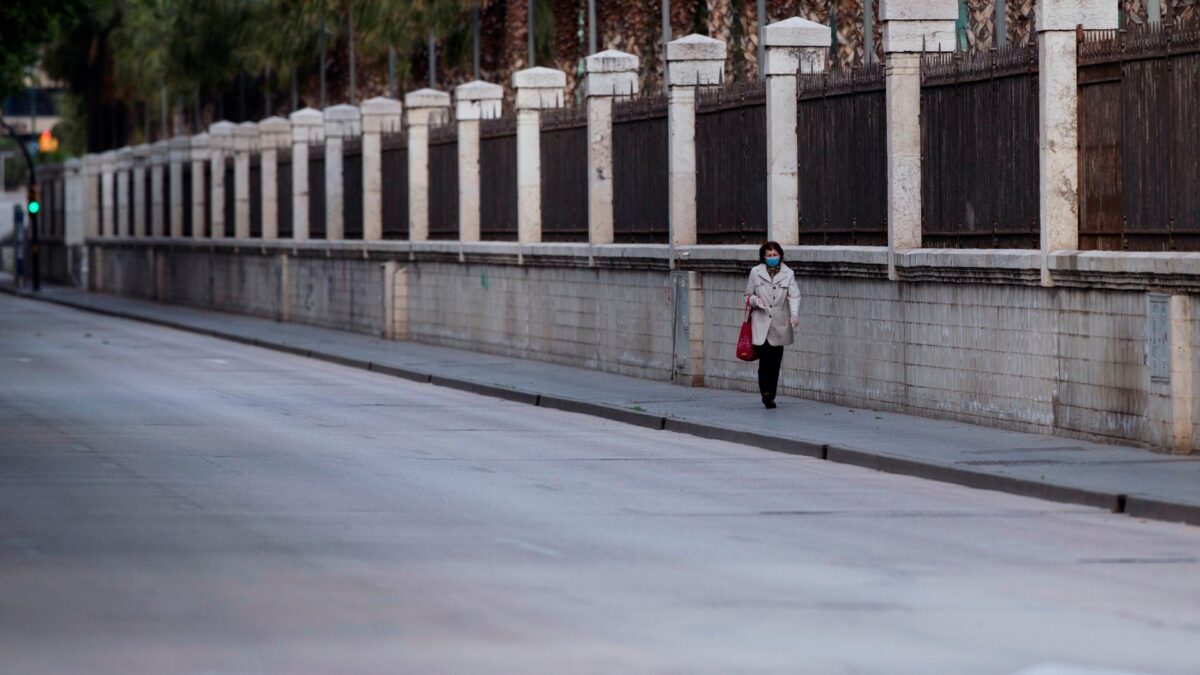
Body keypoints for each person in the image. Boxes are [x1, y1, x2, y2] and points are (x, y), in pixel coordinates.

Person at [744, 241, 801, 409]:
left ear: (780, 255)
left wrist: (794, 313)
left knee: (775, 361)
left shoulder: (788, 274)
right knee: (765, 360)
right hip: (761, 323)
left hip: (780, 324)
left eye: (775, 255)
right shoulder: (755, 272)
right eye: (769, 255)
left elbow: (794, 295)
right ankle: (765, 393)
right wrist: (755, 301)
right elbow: (747, 295)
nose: (772, 258)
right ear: (763, 256)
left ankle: (771, 394)